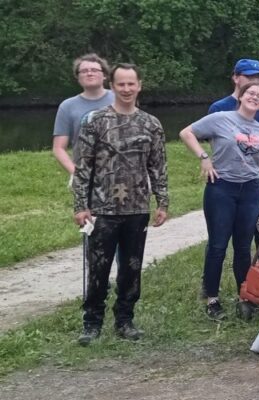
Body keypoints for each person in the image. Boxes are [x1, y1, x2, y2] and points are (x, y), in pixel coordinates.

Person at [72, 63, 168, 345]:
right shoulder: (95, 121)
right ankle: (92, 321)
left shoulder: (151, 124)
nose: (126, 89)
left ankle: (125, 319)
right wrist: (80, 205)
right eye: (121, 84)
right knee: (98, 268)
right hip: (102, 209)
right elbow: (83, 168)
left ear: (139, 86)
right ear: (112, 86)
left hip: (137, 209)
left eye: (131, 84)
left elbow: (158, 166)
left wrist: (162, 201)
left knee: (132, 268)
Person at [179, 82, 259, 320]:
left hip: (250, 190)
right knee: (218, 245)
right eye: (251, 93)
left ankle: (244, 296)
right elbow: (186, 132)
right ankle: (212, 299)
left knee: (243, 247)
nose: (254, 98)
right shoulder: (221, 118)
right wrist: (204, 157)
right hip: (222, 188)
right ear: (241, 96)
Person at [207, 58, 259, 290]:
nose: (253, 82)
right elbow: (211, 142)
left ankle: (253, 287)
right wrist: (205, 160)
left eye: (257, 77)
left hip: (257, 181)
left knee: (255, 236)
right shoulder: (219, 108)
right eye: (248, 77)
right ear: (235, 78)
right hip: (225, 183)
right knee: (219, 243)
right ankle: (210, 292)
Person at [53, 53, 115, 178]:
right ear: (78, 77)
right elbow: (58, 148)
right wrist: (76, 173)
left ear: (104, 75)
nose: (89, 73)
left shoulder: (119, 98)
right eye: (84, 71)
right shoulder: (67, 106)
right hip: (85, 173)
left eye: (94, 70)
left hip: (119, 171)